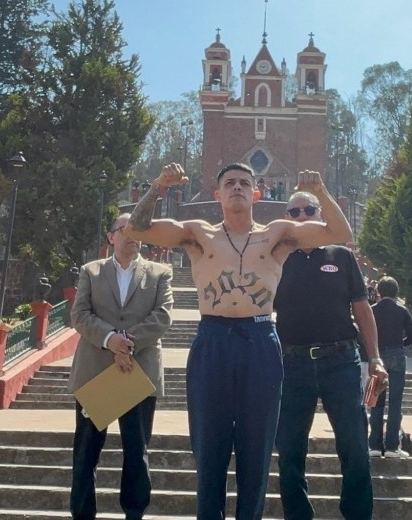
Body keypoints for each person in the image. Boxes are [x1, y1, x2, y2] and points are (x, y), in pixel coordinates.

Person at [124, 162, 353, 520]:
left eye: (244, 183)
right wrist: (159, 185)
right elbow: (137, 229)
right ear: (216, 194)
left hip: (259, 338)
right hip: (213, 338)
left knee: (257, 446)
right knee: (208, 444)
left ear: (256, 193)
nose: (237, 188)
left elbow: (339, 232)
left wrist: (320, 191)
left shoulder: (277, 234)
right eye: (229, 182)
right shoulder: (197, 233)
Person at [273, 191, 388, 520]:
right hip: (291, 364)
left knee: (355, 446)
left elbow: (362, 309)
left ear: (320, 214)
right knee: (289, 449)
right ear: (287, 218)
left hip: (340, 361)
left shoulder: (341, 255)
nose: (302, 216)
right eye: (294, 211)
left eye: (309, 209)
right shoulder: (277, 258)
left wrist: (375, 357)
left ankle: (357, 514)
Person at [68, 213, 174, 520]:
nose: (132, 235)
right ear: (111, 237)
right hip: (96, 373)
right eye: (125, 229)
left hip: (138, 373)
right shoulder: (91, 271)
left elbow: (163, 316)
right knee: (86, 451)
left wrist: (126, 344)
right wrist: (110, 339)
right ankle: (83, 513)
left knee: (137, 451)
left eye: (138, 230)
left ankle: (134, 513)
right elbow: (80, 315)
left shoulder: (160, 273)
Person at [368, 275, 412, 459]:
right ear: (396, 292)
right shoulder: (402, 311)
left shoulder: (372, 310)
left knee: (375, 401)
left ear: (378, 292)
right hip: (397, 356)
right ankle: (392, 447)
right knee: (395, 403)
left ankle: (374, 445)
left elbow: (363, 333)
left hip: (377, 357)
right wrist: (398, 344)